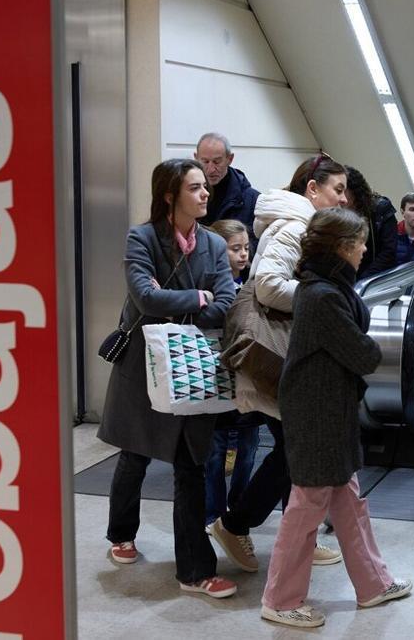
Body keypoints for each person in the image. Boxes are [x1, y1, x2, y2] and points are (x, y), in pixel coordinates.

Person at [260, 207, 413, 628]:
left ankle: (373, 584)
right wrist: (368, 346)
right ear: (342, 248)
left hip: (330, 408)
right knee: (307, 505)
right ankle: (280, 599)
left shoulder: (325, 288)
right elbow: (363, 354)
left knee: (347, 499)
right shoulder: (324, 296)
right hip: (317, 413)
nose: (366, 249)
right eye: (360, 242)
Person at [97, 158, 239, 598]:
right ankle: (121, 532)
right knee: (135, 452)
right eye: (194, 188)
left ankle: (194, 571)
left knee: (190, 466)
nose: (205, 194)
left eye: (204, 187)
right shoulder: (142, 239)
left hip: (193, 365)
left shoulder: (214, 244)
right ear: (169, 196)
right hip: (144, 365)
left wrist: (174, 304)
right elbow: (145, 296)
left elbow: (228, 300)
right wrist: (198, 296)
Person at [210, 153, 349, 573]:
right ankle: (235, 524)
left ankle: (293, 537)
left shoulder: (302, 223)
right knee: (295, 448)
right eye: (337, 190)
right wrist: (323, 297)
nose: (343, 199)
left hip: (287, 349)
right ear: (312, 189)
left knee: (295, 448)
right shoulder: (295, 224)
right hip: (277, 349)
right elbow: (268, 286)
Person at [202, 219, 263, 529]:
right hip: (215, 375)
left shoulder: (254, 284)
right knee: (215, 451)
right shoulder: (210, 286)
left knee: (249, 446)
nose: (243, 255)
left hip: (247, 378)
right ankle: (213, 513)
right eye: (235, 248)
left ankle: (239, 509)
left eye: (246, 248)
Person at [195, 132, 261, 252]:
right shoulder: (188, 197)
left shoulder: (252, 199)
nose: (210, 169)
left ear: (230, 159)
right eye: (205, 161)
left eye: (217, 162)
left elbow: (258, 246)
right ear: (196, 158)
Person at [344, 166, 398, 279]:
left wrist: (363, 279)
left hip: (380, 277)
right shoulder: (340, 212)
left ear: (354, 190)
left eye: (343, 191)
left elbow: (388, 251)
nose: (340, 197)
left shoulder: (380, 207)